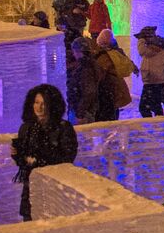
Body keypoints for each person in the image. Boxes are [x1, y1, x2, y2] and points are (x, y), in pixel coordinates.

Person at [10, 84, 79, 221]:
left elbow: (67, 159)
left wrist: (40, 153)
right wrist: (18, 155)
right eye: (36, 102)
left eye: (44, 103)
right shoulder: (27, 128)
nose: (39, 107)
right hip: (31, 187)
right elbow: (24, 162)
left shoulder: (63, 128)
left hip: (54, 188)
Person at [97, 29, 136, 118]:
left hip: (108, 86)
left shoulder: (104, 55)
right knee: (114, 108)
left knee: (109, 111)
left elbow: (102, 69)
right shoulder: (117, 51)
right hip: (117, 84)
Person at [68, 37, 105, 124]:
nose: (74, 55)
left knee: (82, 136)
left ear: (79, 51)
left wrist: (80, 113)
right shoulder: (89, 64)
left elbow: (89, 92)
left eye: (74, 52)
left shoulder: (86, 68)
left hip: (83, 112)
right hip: (84, 110)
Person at [136, 26, 164, 118]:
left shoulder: (152, 48)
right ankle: (157, 124)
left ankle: (152, 125)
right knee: (155, 105)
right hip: (156, 80)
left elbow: (141, 51)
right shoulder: (160, 46)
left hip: (153, 81)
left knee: (144, 107)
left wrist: (141, 40)